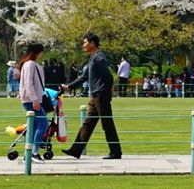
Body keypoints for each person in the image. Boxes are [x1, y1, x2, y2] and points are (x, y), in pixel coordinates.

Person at [60, 32, 122, 160]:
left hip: (100, 95)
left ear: (92, 43)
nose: (83, 45)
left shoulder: (98, 58)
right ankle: (76, 150)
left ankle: (116, 152)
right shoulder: (92, 58)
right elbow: (84, 77)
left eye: (85, 42)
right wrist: (69, 87)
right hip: (95, 96)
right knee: (88, 123)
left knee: (107, 123)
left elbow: (108, 76)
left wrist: (107, 90)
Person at [18, 43, 49, 163]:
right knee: (43, 123)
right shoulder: (30, 64)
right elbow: (28, 83)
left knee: (34, 126)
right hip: (31, 99)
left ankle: (28, 153)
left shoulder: (29, 64)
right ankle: (34, 152)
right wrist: (34, 99)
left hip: (31, 98)